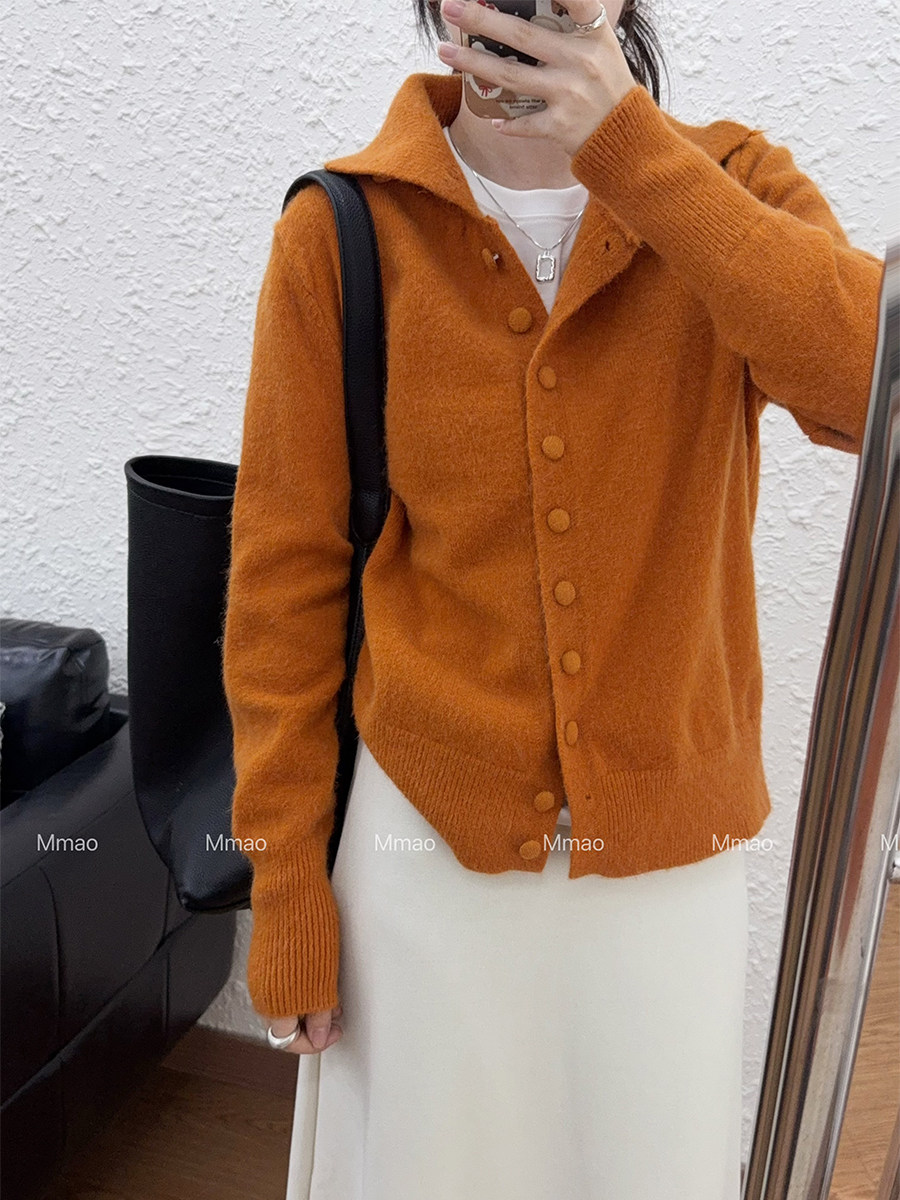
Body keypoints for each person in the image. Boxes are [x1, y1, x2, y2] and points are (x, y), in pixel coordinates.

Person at [221, 1, 882, 1197]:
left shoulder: (730, 183)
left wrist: (630, 150)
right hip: (421, 852)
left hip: (665, 868)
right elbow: (283, 585)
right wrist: (285, 891)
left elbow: (864, 389)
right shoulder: (347, 225)